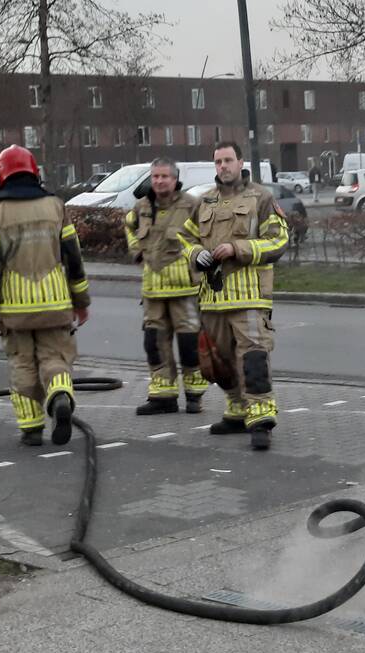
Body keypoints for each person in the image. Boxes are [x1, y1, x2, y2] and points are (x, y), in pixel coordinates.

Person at [0, 145, 90, 447]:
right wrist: (81, 302)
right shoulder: (56, 206)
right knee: (56, 358)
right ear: (34, 171)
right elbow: (73, 258)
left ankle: (31, 429)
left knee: (21, 362)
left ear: (0, 174)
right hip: (56, 302)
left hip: (15, 308)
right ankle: (60, 399)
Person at [181, 141, 288, 450]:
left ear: (240, 162)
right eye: (218, 161)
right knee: (220, 362)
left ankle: (261, 421)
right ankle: (238, 411)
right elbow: (185, 238)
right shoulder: (204, 201)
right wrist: (196, 254)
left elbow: (278, 241)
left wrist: (237, 249)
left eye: (228, 160)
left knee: (253, 358)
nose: (223, 166)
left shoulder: (261, 198)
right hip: (213, 299)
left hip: (250, 297)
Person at [124, 157, 209, 415]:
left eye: (164, 176)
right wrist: (137, 251)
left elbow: (207, 234)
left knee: (189, 346)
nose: (159, 181)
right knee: (154, 344)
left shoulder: (191, 205)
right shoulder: (142, 207)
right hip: (152, 292)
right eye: (156, 176)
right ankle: (163, 397)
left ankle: (194, 396)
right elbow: (129, 227)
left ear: (175, 179)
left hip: (185, 291)